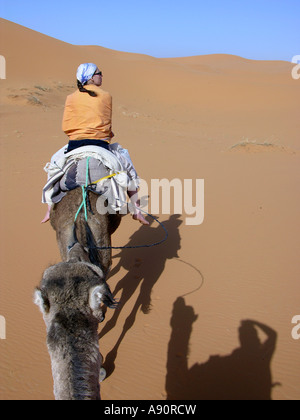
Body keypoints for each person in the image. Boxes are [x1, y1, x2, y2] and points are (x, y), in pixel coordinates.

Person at [41, 63, 149, 225]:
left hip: (74, 146)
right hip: (100, 145)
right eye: (99, 73)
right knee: (128, 169)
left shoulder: (71, 98)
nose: (101, 76)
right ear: (91, 77)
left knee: (53, 169)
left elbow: (66, 127)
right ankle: (137, 210)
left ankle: (49, 209)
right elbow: (106, 125)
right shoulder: (105, 96)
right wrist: (105, 133)